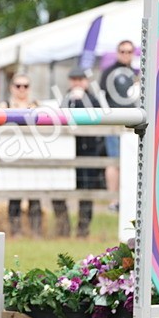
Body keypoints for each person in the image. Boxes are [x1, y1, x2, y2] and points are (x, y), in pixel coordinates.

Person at [62, 68, 107, 237]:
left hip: (89, 151)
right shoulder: (65, 98)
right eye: (74, 79)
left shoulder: (93, 99)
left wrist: (80, 101)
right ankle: (63, 228)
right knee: (61, 188)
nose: (77, 83)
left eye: (80, 79)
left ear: (86, 82)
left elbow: (97, 119)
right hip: (68, 151)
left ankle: (83, 229)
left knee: (86, 190)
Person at [0, 74, 37, 236]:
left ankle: (36, 232)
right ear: (11, 87)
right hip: (11, 155)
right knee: (14, 195)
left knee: (35, 194)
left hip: (32, 155)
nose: (21, 89)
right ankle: (15, 230)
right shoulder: (4, 105)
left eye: (25, 86)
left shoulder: (36, 105)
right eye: (18, 85)